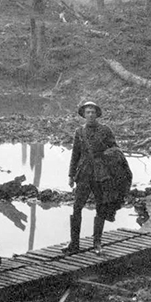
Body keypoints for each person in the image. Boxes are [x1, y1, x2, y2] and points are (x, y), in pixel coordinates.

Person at [64, 100, 118, 255]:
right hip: (83, 174)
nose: (90, 115)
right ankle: (74, 243)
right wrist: (70, 175)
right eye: (87, 112)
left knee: (101, 206)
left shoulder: (105, 130)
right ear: (83, 115)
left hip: (101, 174)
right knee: (76, 208)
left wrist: (107, 161)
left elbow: (115, 150)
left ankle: (97, 243)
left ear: (97, 114)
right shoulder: (79, 132)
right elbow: (75, 155)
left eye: (93, 112)